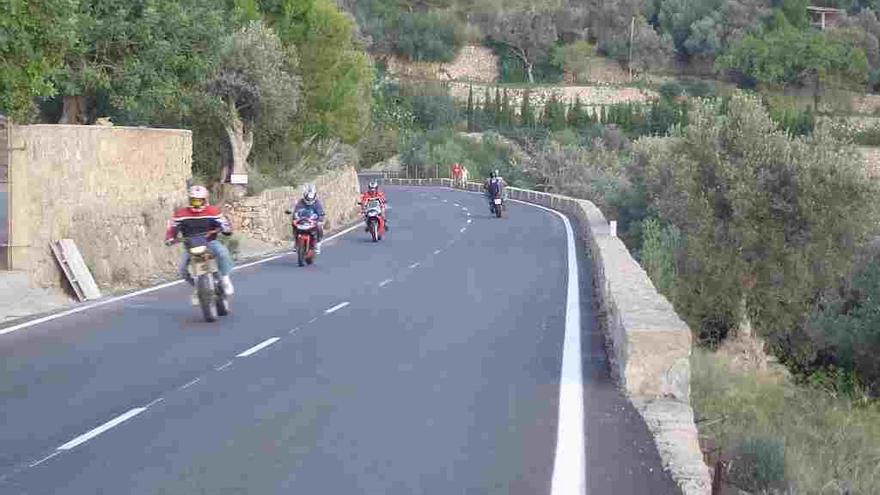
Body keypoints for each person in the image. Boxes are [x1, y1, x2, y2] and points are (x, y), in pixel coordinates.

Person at [165, 185, 234, 305]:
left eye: (199, 200)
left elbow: (223, 224)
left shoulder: (213, 211)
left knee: (222, 253)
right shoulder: (181, 214)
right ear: (190, 200)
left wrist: (225, 229)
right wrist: (170, 238)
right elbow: (172, 228)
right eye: (194, 200)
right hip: (191, 245)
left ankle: (225, 279)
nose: (197, 203)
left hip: (210, 242)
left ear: (205, 200)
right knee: (182, 270)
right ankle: (198, 288)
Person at [289, 183, 326, 254]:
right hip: (302, 220)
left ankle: (318, 244)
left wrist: (320, 218)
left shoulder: (317, 203)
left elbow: (320, 212)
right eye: (308, 199)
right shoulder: (301, 202)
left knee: (319, 227)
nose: (309, 201)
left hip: (312, 221)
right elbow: (296, 210)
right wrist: (294, 215)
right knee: (294, 225)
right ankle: (296, 242)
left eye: (311, 199)